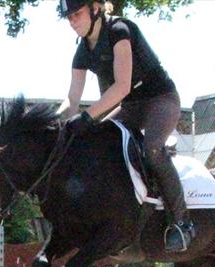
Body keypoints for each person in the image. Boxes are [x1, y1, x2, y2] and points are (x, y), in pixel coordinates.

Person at [58, 0, 195, 253]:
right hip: (131, 108)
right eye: (69, 18)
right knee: (100, 144)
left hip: (160, 100)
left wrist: (87, 118)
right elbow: (72, 98)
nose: (73, 21)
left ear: (95, 8)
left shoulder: (120, 30)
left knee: (152, 149)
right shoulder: (82, 51)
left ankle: (182, 223)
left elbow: (122, 87)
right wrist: (55, 122)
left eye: (76, 14)